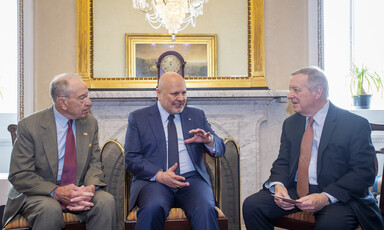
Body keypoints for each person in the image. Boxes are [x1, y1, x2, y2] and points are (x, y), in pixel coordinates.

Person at [242, 66, 383, 230]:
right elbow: (283, 162)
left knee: (330, 225)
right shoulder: (291, 124)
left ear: (317, 92)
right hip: (296, 192)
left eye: (296, 90)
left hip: (339, 196)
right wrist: (278, 186)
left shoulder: (354, 124)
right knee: (252, 206)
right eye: (290, 90)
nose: (289, 95)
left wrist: (325, 197)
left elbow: (363, 172)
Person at [2, 73, 116, 230]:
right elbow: (20, 174)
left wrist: (89, 188)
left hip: (78, 188)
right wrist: (55, 191)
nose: (89, 102)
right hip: (39, 193)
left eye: (87, 96)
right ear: (63, 102)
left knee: (105, 201)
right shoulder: (30, 126)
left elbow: (94, 163)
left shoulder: (90, 123)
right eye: (82, 98)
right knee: (49, 209)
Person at [124, 72, 226, 230]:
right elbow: (131, 159)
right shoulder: (139, 118)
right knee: (152, 208)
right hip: (155, 182)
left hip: (192, 180)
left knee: (205, 208)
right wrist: (160, 175)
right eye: (175, 93)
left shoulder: (196, 115)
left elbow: (220, 148)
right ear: (158, 93)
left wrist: (209, 140)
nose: (181, 98)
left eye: (184, 93)